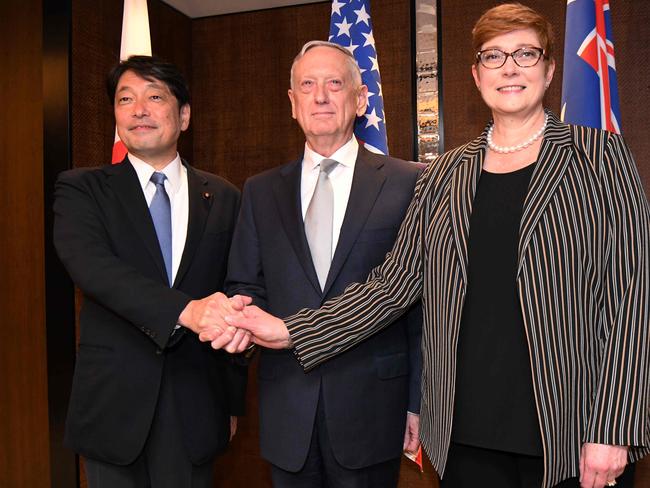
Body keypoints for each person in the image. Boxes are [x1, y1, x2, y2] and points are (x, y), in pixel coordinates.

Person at [213, 4, 650, 488]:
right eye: (493, 56)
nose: (509, 68)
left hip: (572, 431)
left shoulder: (599, 157)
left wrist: (614, 427)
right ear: (476, 75)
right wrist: (293, 331)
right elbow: (390, 289)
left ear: (549, 70)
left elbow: (631, 299)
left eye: (526, 54)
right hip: (464, 433)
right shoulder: (443, 175)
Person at [220, 40, 422, 488]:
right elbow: (245, 283)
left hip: (374, 407)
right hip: (287, 407)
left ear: (360, 98)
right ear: (292, 103)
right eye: (306, 85)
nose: (321, 96)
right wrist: (237, 321)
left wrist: (418, 402)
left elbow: (422, 306)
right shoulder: (260, 190)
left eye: (335, 83)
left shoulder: (410, 183)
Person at [53, 55, 247, 488]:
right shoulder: (82, 189)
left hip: (197, 404)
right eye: (126, 99)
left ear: (183, 115)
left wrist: (232, 402)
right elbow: (94, 270)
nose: (139, 109)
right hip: (113, 406)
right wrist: (186, 311)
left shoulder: (225, 196)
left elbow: (234, 292)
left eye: (154, 97)